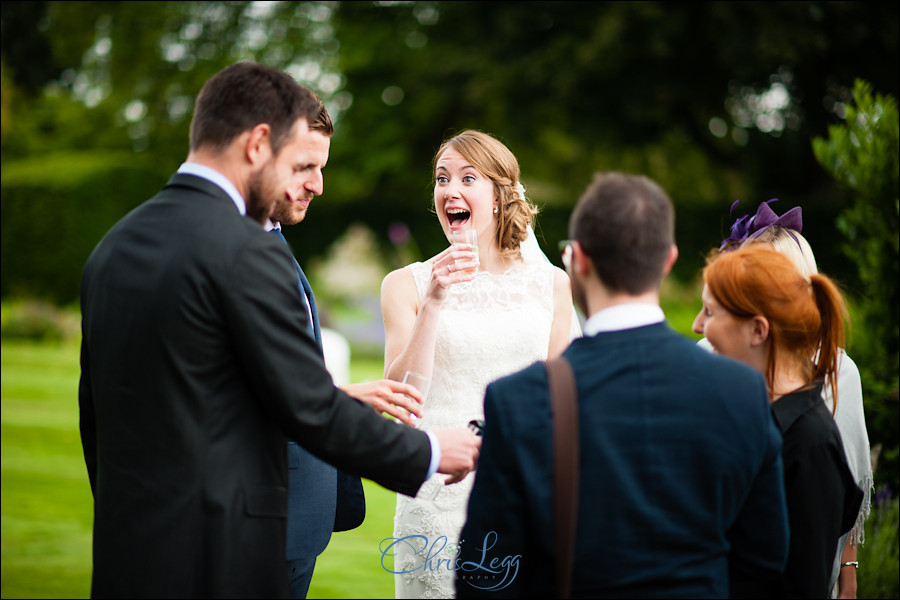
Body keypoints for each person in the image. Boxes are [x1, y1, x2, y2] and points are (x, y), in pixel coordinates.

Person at [78, 61, 479, 599]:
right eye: (302, 162)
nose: (315, 183)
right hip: (224, 554)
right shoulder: (244, 249)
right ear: (258, 143)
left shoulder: (114, 247)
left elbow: (100, 413)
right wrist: (429, 452)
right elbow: (310, 408)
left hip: (132, 551)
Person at [455, 172, 790, 598]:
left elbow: (485, 574)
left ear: (576, 261)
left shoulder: (519, 399)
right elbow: (765, 557)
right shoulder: (740, 390)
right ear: (668, 260)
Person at [380, 130, 575, 598]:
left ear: (500, 196)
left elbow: (563, 403)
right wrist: (435, 302)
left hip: (522, 488)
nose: (450, 190)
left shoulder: (553, 286)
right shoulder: (405, 285)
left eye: (469, 178)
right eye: (442, 178)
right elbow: (401, 400)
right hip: (436, 495)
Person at [263, 101, 426, 597]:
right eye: (305, 167)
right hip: (263, 515)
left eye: (321, 168)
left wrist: (343, 395)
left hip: (298, 515)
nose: (318, 185)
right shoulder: (233, 251)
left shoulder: (273, 241)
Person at [706, 199, 873, 598]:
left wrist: (848, 569)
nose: (703, 323)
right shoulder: (712, 355)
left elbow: (845, 488)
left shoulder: (836, 378)